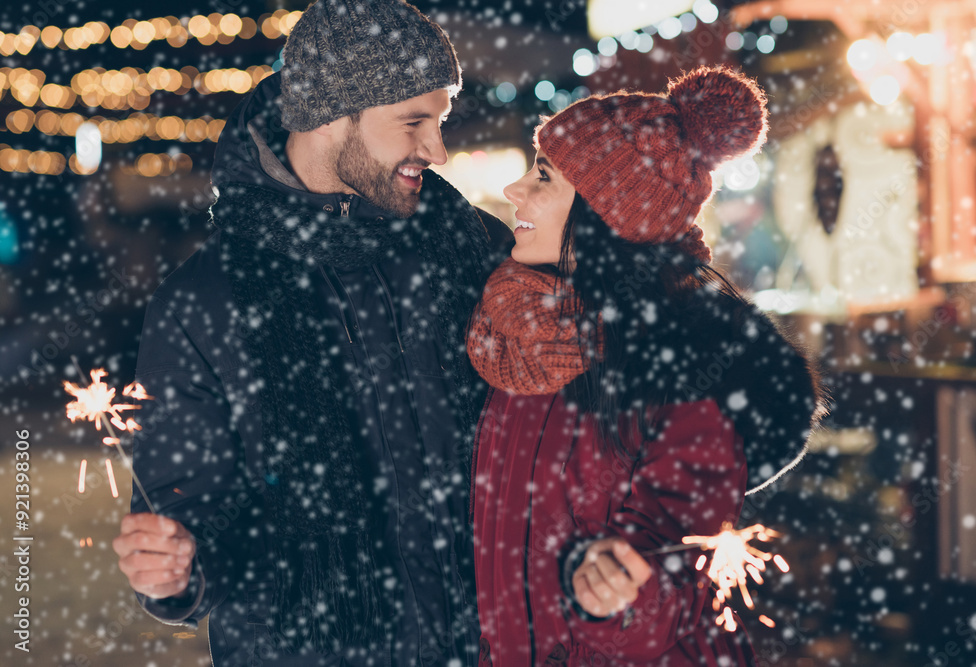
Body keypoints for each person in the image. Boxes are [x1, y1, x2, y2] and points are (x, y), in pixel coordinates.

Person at [111, 1, 511, 665]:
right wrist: (178, 566)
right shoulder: (205, 302)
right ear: (331, 116)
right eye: (414, 121)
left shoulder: (471, 247)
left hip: (492, 647)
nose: (437, 150)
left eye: (439, 120)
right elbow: (188, 509)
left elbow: (560, 429)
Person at [466, 66, 826, 665]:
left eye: (544, 177)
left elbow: (686, 575)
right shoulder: (515, 342)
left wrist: (619, 594)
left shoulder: (685, 373)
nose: (515, 192)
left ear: (605, 218)